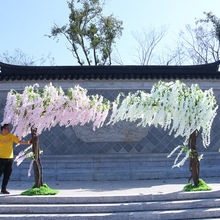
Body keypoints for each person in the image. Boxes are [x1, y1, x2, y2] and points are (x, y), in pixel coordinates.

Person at [0, 124, 32, 194]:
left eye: (9, 128)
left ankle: (3, 189)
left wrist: (28, 142)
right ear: (3, 129)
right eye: (7, 128)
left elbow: (19, 141)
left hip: (10, 159)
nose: (8, 130)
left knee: (7, 174)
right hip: (1, 159)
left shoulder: (11, 136)